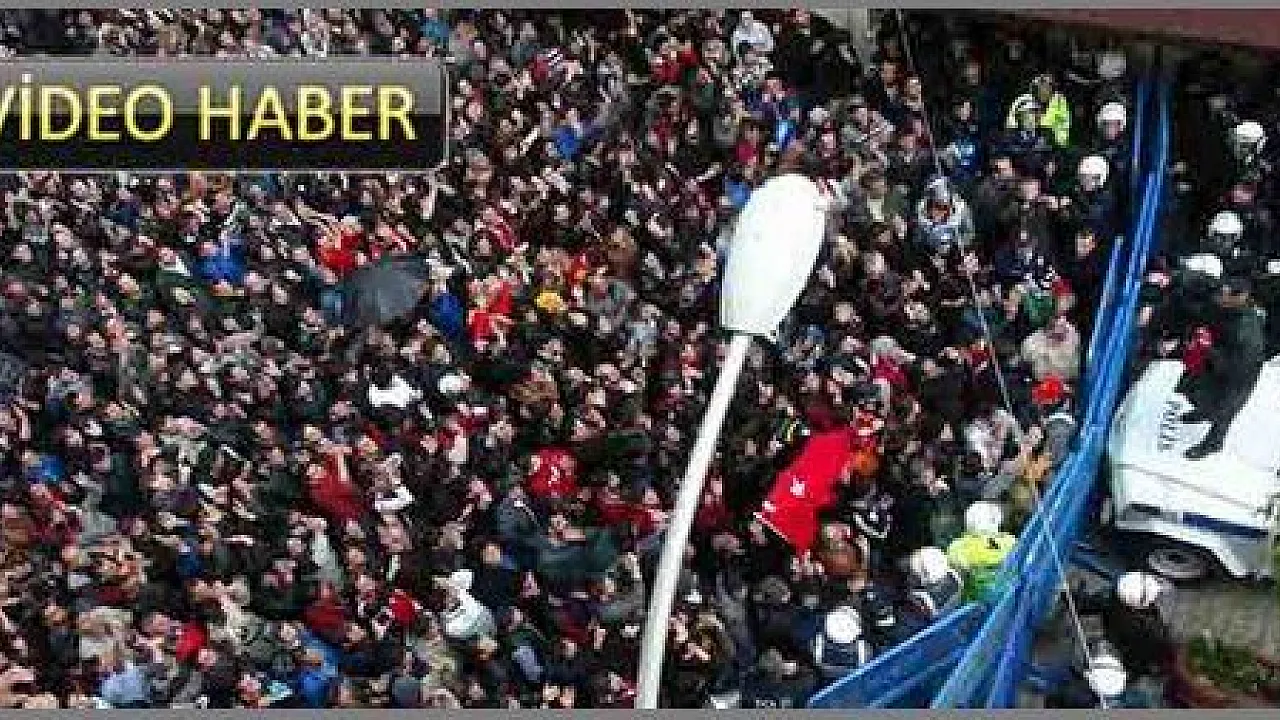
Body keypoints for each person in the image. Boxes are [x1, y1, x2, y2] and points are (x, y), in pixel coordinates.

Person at [1181, 277, 1268, 459]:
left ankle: (1213, 443)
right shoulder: (1223, 305)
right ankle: (1203, 411)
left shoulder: (1248, 333)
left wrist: (1208, 349)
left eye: (1224, 295)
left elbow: (1236, 367)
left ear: (1240, 298)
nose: (1219, 296)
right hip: (1215, 356)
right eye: (1221, 292)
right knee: (1195, 389)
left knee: (1224, 410)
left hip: (1239, 374)